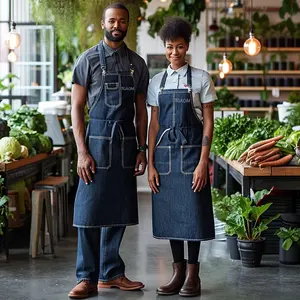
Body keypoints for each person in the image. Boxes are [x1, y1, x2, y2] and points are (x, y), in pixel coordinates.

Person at [68, 3, 149, 299]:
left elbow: (141, 112)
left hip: (126, 142)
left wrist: (142, 149)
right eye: (112, 20)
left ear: (129, 24)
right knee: (89, 210)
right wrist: (82, 151)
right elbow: (76, 108)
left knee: (119, 209)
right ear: (103, 23)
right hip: (96, 142)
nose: (117, 24)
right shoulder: (87, 60)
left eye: (122, 21)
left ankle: (111, 273)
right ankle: (86, 277)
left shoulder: (137, 64)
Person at [147, 17, 217, 297]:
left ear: (187, 47)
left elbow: (209, 122)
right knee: (172, 215)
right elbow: (154, 125)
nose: (174, 52)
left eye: (179, 47)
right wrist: (150, 163)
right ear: (164, 48)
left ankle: (193, 276)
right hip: (164, 158)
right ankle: (177, 274)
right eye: (169, 47)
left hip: (191, 156)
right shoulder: (156, 81)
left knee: (193, 215)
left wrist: (203, 162)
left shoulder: (201, 78)